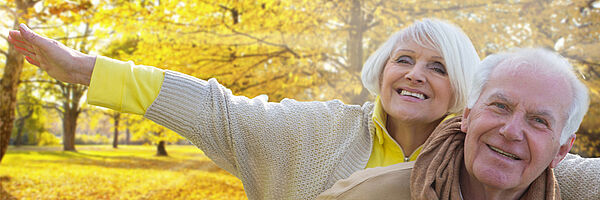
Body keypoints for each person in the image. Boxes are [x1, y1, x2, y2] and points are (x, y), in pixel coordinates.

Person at [6, 19, 597, 199]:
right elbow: (216, 111)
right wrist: (87, 71)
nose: (416, 74)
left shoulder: (511, 160)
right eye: (403, 59)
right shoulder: (311, 133)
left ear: (465, 96)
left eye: (439, 67)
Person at [317, 48, 600, 200]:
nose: (511, 131)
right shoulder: (365, 196)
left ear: (562, 150)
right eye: (500, 106)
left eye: (539, 121)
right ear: (466, 115)